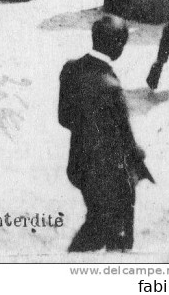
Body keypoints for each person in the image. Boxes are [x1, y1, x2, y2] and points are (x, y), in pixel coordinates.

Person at [58, 15, 153, 253]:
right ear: (118, 45)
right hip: (110, 172)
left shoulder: (70, 69)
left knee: (98, 218)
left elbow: (64, 118)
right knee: (109, 228)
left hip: (79, 163)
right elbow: (125, 137)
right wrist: (138, 157)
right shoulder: (112, 85)